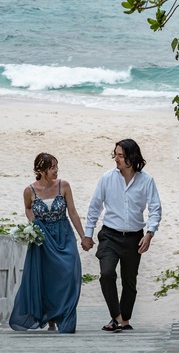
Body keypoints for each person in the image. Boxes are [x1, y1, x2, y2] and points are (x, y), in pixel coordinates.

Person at [81, 138, 162, 332]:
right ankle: (117, 318)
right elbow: (94, 207)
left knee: (129, 282)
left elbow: (155, 209)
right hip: (109, 235)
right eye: (115, 155)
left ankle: (124, 320)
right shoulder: (107, 178)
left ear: (132, 158)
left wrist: (150, 234)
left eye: (121, 156)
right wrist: (88, 234)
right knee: (106, 274)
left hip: (134, 237)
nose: (116, 159)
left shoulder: (147, 181)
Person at [9, 152, 86, 333]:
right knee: (47, 278)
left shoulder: (64, 186)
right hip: (43, 239)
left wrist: (83, 237)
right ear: (41, 170)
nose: (56, 171)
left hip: (64, 235)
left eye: (56, 167)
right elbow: (28, 208)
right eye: (52, 168)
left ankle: (65, 317)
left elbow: (73, 213)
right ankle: (51, 318)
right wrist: (33, 226)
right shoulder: (29, 190)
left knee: (68, 274)